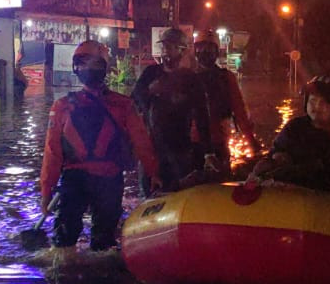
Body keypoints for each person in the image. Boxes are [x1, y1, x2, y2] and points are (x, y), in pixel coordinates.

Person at [40, 40, 161, 251]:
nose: (88, 69)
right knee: (91, 243)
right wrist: (46, 189)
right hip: (86, 180)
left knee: (76, 243)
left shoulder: (119, 105)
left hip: (100, 179)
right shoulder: (64, 107)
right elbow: (53, 153)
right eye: (84, 63)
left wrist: (153, 172)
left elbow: (142, 144)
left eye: (93, 64)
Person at [132, 28, 218, 192]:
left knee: (178, 193)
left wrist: (208, 152)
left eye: (171, 47)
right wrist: (150, 91)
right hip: (153, 148)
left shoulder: (191, 80)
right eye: (164, 47)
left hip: (180, 149)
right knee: (149, 194)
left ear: (182, 50)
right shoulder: (151, 73)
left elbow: (202, 117)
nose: (166, 52)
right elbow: (134, 101)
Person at [193, 30, 260, 167]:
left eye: (210, 49)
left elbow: (239, 109)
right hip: (193, 141)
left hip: (219, 139)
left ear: (216, 52)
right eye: (202, 48)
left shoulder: (226, 78)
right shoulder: (188, 77)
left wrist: (250, 137)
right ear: (196, 51)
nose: (206, 52)